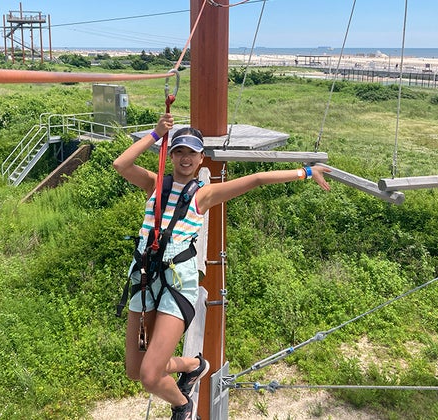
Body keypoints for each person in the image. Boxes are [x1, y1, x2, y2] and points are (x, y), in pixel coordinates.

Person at [113, 113, 331, 419]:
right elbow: (121, 164)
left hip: (177, 283)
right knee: (135, 371)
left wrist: (306, 172)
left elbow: (255, 180)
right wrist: (156, 133)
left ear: (201, 158)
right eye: (179, 151)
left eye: (192, 153)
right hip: (146, 278)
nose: (185, 158)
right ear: (170, 156)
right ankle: (193, 365)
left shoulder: (203, 194)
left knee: (150, 376)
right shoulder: (154, 184)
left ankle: (182, 404)